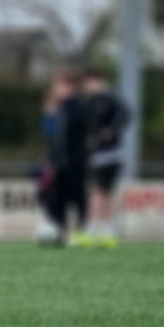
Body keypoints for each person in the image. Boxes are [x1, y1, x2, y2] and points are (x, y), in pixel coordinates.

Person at [80, 68, 132, 248]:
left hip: (110, 153)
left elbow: (126, 115)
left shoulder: (111, 99)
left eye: (89, 83)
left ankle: (95, 228)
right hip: (96, 153)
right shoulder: (89, 101)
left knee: (100, 190)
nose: (87, 87)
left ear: (98, 81)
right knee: (101, 190)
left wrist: (111, 131)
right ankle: (104, 229)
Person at [42, 70, 91, 248]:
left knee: (77, 196)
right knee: (58, 197)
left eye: (59, 85)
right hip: (59, 160)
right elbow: (51, 135)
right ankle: (60, 231)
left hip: (75, 159)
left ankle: (81, 231)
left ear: (70, 87)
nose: (56, 89)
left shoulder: (79, 106)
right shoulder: (58, 108)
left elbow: (83, 131)